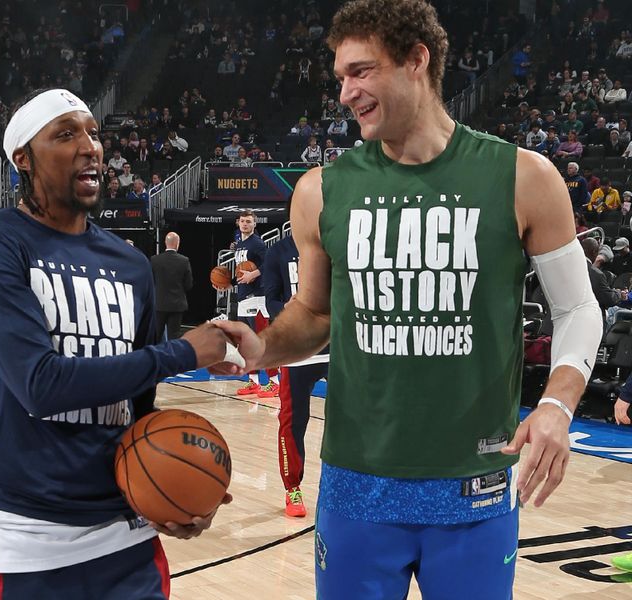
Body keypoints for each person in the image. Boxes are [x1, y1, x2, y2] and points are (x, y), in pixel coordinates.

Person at [213, 2, 603, 598]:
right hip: (356, 483)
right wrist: (260, 346)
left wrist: (557, 403)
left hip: (475, 485)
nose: (345, 93)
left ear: (417, 60)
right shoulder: (321, 191)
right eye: (340, 76)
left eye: (361, 72)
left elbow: (578, 309)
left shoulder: (524, 177)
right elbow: (316, 315)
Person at [0, 88, 233, 600]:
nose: (91, 146)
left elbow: (139, 405)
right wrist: (187, 351)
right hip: (23, 539)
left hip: (125, 534)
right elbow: (40, 384)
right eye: (65, 134)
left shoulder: (130, 264)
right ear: (23, 160)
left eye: (94, 133)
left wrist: (180, 493)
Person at [261, 205, 328, 518]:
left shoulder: (334, 243)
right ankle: (292, 487)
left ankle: (343, 481)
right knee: (292, 420)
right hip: (297, 351)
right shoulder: (277, 251)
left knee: (355, 416)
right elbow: (270, 299)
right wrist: (284, 310)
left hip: (333, 345)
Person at [213, 210, 278, 398]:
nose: (245, 224)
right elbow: (242, 271)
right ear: (237, 223)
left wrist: (254, 274)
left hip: (257, 297)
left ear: (254, 224)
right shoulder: (240, 244)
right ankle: (254, 383)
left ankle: (275, 383)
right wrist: (229, 284)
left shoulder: (257, 243)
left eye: (249, 222)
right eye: (242, 221)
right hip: (243, 297)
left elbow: (269, 264)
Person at [149, 232, 193, 341]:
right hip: (177, 305)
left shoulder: (154, 260)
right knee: (173, 337)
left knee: (156, 336)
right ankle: (171, 358)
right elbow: (189, 285)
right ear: (177, 243)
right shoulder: (184, 260)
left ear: (165, 243)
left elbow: (149, 281)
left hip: (159, 304)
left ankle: (154, 357)